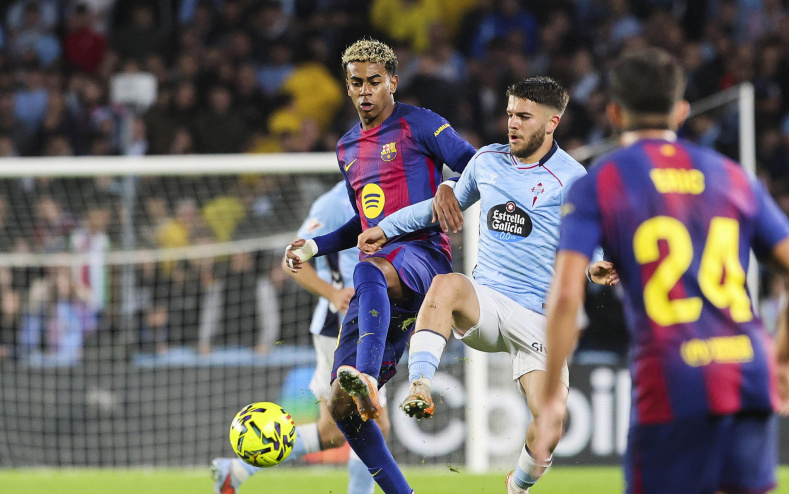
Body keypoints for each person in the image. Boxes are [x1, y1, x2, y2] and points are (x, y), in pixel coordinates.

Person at [533, 48, 789, 494]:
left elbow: (567, 294)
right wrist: (781, 358)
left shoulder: (602, 180)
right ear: (682, 111)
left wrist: (551, 397)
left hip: (672, 376)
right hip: (748, 369)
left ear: (613, 112)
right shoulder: (732, 174)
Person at [357, 76, 614, 494]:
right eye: (510, 114)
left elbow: (592, 236)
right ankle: (420, 384)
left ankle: (517, 487)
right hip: (488, 301)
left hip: (539, 319)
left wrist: (597, 265)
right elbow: (442, 205)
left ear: (553, 122)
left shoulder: (572, 177)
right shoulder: (487, 161)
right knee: (446, 285)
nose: (512, 123)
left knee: (549, 428)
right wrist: (386, 229)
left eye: (524, 117)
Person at [285, 38, 475, 494]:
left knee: (367, 267)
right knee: (342, 410)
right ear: (347, 89)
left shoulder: (420, 124)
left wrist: (450, 187)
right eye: (356, 83)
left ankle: (367, 376)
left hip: (424, 257)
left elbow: (478, 165)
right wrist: (317, 245)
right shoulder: (347, 147)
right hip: (385, 282)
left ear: (392, 81)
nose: (366, 90)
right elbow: (363, 222)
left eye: (374, 81)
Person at [212, 181, 389, 494]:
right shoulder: (334, 203)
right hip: (344, 325)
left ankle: (238, 469)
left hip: (365, 320)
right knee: (372, 423)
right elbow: (291, 259)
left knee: (335, 430)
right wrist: (334, 293)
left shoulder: (387, 190)